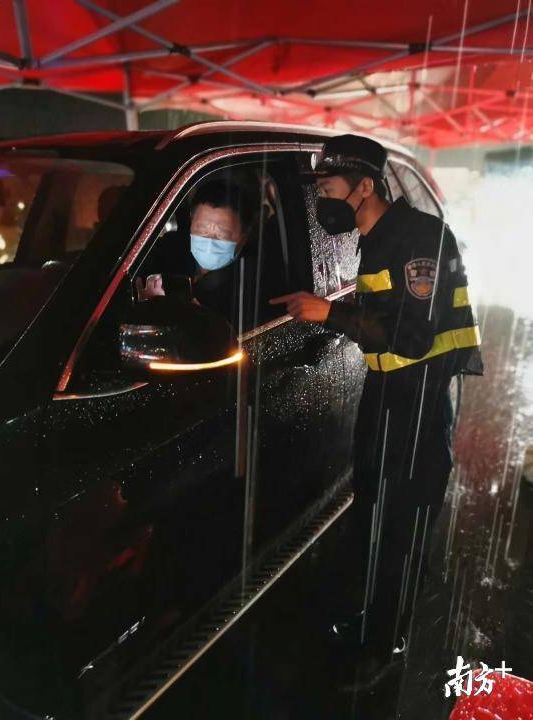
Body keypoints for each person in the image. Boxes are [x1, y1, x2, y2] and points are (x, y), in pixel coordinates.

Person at [269, 134, 483, 685]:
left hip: (419, 403)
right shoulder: (376, 237)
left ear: (364, 186)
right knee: (372, 511)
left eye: (329, 188)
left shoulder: (420, 237)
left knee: (401, 527)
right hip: (387, 393)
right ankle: (370, 622)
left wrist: (328, 314)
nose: (322, 199)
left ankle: (387, 646)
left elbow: (412, 336)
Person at [136, 180, 255, 331]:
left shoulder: (250, 287)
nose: (209, 241)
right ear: (191, 221)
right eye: (201, 230)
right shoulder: (168, 252)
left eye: (222, 234)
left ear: (244, 236)